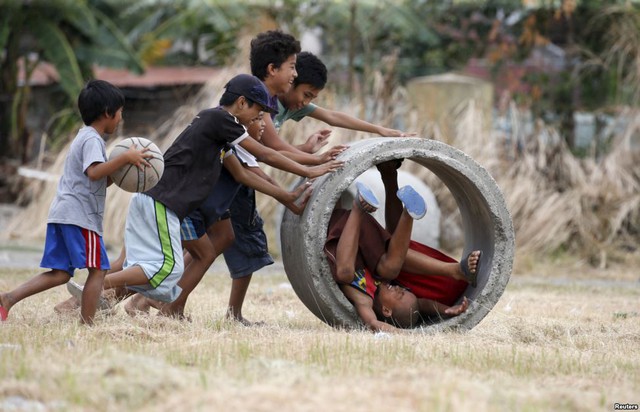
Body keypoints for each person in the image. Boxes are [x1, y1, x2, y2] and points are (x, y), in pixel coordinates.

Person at [0, 79, 152, 324]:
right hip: (80, 217)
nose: (121, 118)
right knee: (99, 270)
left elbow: (96, 180)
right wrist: (125, 157)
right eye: (120, 113)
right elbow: (94, 172)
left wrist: (120, 174)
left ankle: (8, 298)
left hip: (64, 214)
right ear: (107, 113)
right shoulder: (93, 139)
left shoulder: (84, 137)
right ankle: (88, 323)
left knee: (60, 273)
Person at [324, 161, 481, 332]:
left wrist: (402, 334)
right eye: (404, 290)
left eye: (399, 294)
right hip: (360, 230)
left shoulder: (364, 300)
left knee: (345, 274)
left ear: (386, 310)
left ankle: (358, 206)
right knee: (390, 268)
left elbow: (373, 324)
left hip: (339, 237)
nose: (400, 289)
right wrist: (446, 310)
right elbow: (421, 305)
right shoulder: (383, 280)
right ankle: (408, 213)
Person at [273, 51, 415, 146]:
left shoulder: (293, 105)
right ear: (291, 80)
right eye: (306, 95)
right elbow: (268, 152)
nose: (306, 103)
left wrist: (381, 130)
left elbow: (332, 116)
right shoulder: (266, 103)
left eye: (312, 98)